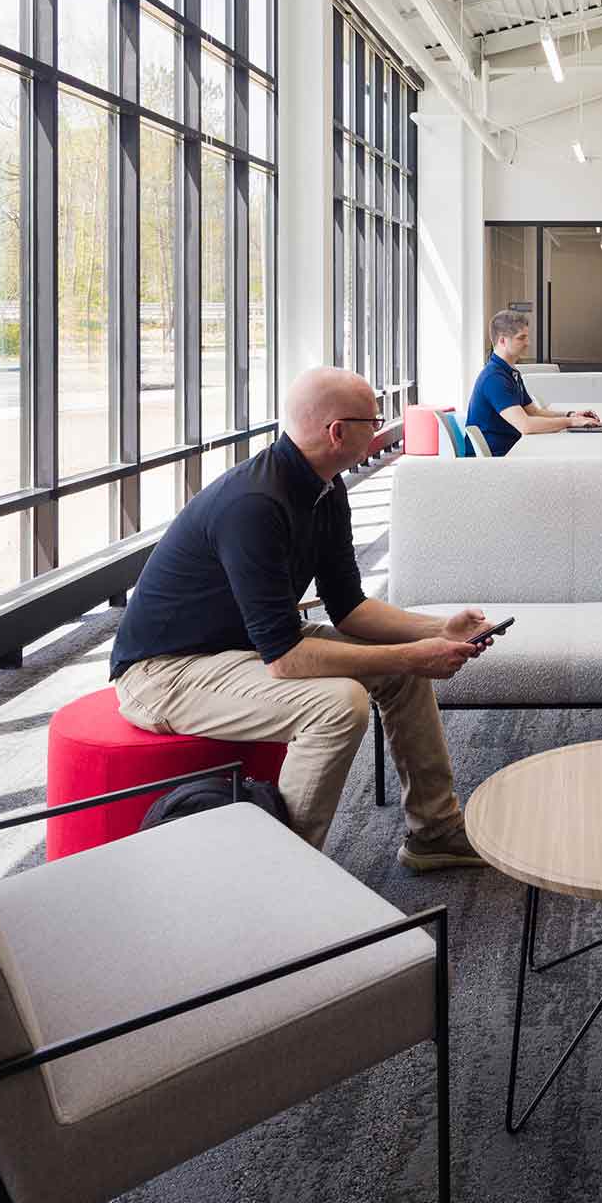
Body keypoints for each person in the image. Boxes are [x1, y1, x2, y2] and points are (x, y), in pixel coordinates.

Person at [109, 367, 491, 869]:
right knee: (338, 706)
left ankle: (434, 831)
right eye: (372, 419)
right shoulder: (254, 504)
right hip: (166, 672)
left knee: (400, 672)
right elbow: (286, 660)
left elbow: (350, 608)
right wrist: (415, 654)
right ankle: (287, 880)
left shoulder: (325, 488)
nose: (380, 428)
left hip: (242, 645)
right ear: (337, 431)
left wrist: (437, 631)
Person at [465, 310, 602, 454]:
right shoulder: (494, 378)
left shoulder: (511, 373)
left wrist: (571, 415)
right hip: (498, 459)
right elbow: (526, 425)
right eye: (521, 338)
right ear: (502, 341)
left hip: (511, 450)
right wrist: (571, 423)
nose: (528, 343)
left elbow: (534, 412)